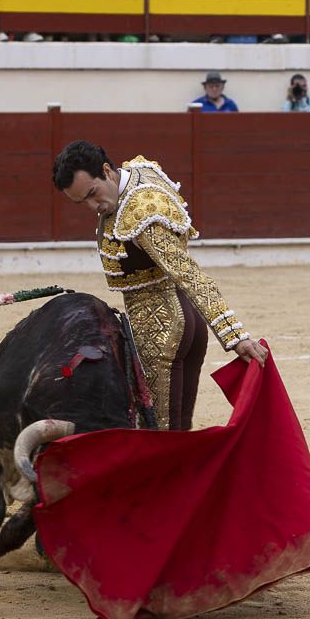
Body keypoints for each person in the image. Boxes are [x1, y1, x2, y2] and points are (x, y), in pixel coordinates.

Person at [53, 141, 267, 432]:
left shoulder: (140, 212)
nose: (94, 207)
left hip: (160, 330)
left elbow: (187, 272)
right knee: (178, 432)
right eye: (83, 203)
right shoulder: (140, 173)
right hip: (184, 322)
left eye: (93, 193)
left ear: (107, 171)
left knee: (159, 434)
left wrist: (235, 336)